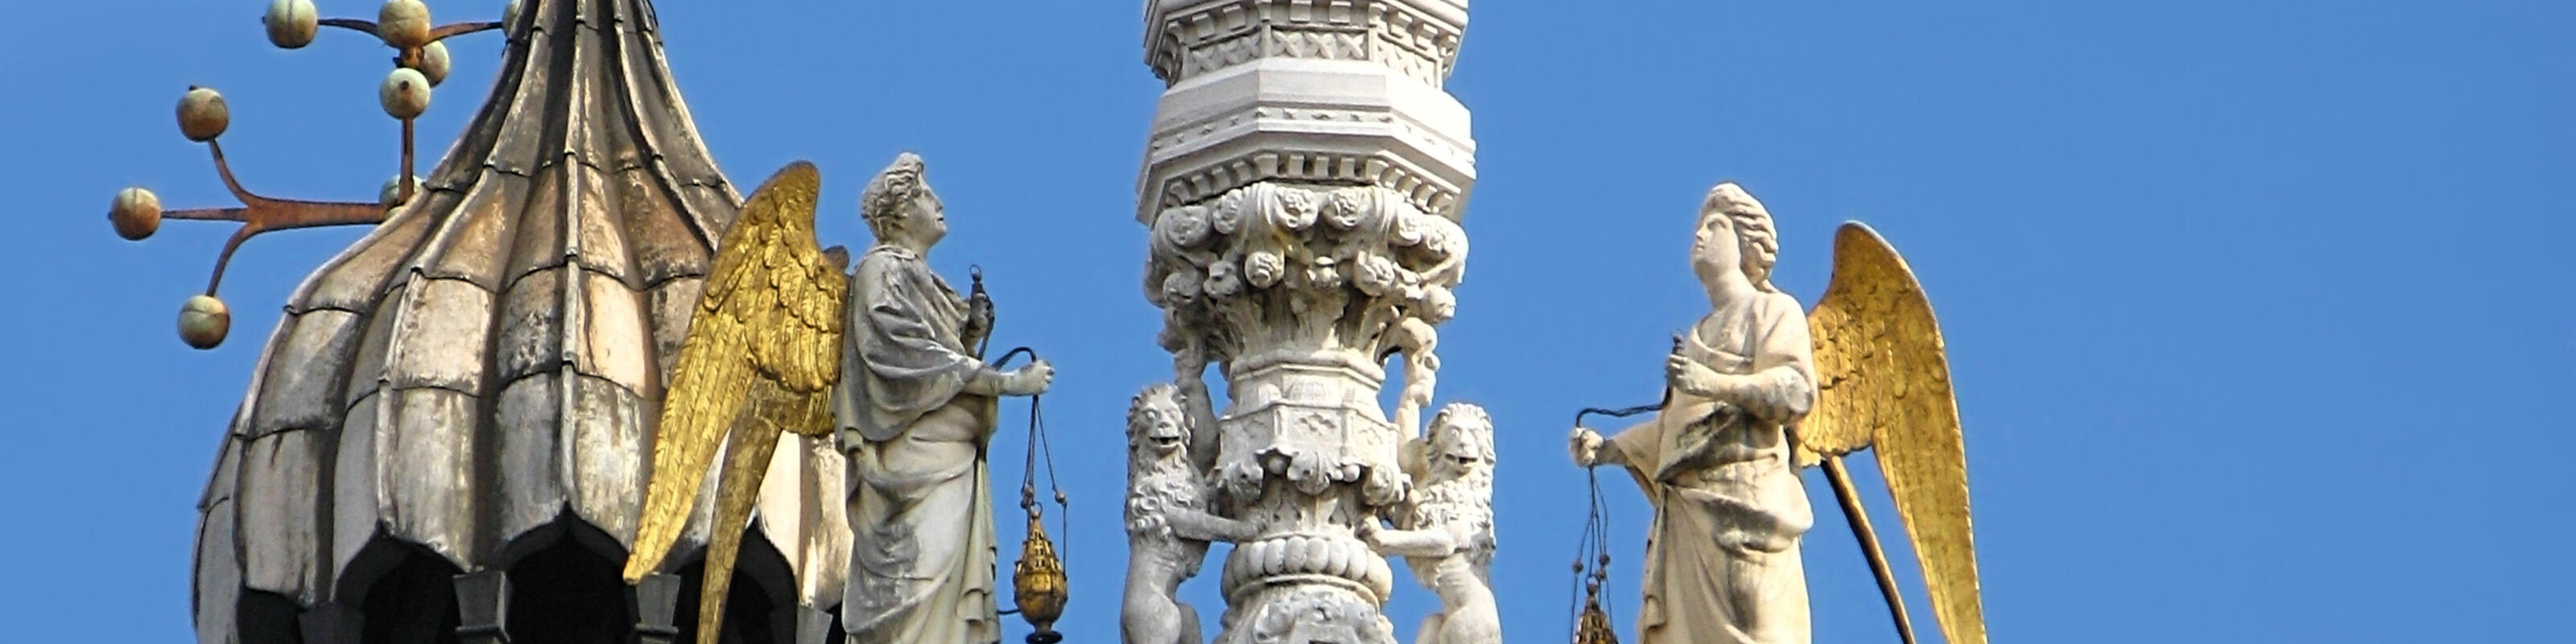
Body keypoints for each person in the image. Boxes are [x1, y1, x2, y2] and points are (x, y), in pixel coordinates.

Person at [1568, 182, 1818, 644]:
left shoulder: (1774, 310)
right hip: (1688, 515)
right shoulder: (1700, 332)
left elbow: (1796, 392)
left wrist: (1715, 384)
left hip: (1749, 508)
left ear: (1745, 244)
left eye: (1715, 226)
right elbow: (1675, 428)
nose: (1700, 235)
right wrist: (1611, 449)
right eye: (1699, 227)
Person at [835, 153, 1053, 644]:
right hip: (912, 467)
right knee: (916, 584)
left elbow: (933, 361)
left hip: (949, 459)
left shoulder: (920, 279)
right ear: (899, 214)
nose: (939, 203)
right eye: (925, 196)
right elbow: (904, 355)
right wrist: (1005, 382)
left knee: (946, 598)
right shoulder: (879, 273)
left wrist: (970, 337)